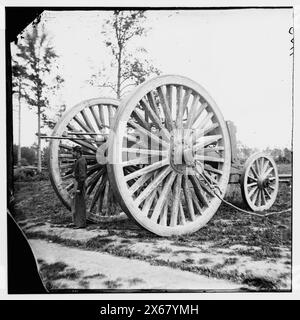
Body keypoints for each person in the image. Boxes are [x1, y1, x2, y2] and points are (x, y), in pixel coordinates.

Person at [71, 145, 87, 228]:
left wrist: (79, 188)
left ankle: (81, 224)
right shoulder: (79, 160)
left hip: (80, 184)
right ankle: (77, 222)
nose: (72, 153)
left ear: (77, 152)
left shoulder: (81, 161)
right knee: (76, 203)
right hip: (77, 183)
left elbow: (82, 175)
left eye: (73, 151)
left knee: (80, 204)